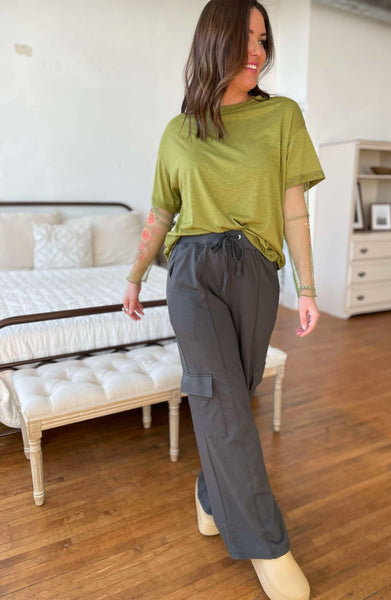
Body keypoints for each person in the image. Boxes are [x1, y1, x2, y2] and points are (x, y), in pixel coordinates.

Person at [122, 1, 325, 598]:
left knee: (238, 393)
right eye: (245, 39)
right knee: (217, 397)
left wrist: (306, 287)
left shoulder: (282, 116)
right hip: (192, 272)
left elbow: (293, 209)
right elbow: (162, 212)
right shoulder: (178, 131)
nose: (257, 52)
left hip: (256, 270)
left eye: (263, 39)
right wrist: (135, 275)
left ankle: (210, 494)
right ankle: (268, 546)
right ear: (214, 42)